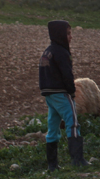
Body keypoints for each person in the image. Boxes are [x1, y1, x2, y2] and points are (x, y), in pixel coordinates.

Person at [38, 20, 89, 171]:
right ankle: (77, 159)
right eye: (68, 33)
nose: (70, 37)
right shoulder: (62, 52)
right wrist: (71, 91)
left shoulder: (47, 52)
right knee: (72, 122)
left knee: (53, 126)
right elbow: (67, 74)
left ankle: (52, 165)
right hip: (61, 92)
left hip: (49, 95)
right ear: (60, 34)